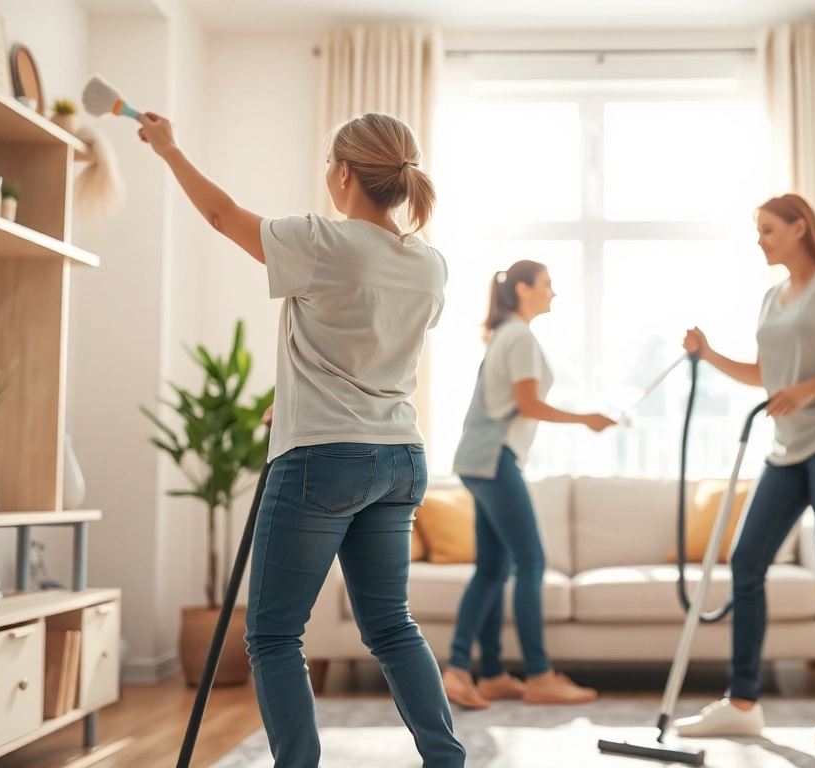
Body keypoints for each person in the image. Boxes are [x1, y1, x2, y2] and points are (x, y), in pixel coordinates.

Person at [137, 111, 465, 768]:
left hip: (322, 460)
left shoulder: (320, 241)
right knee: (391, 626)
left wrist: (169, 148)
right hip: (399, 458)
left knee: (275, 635)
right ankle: (447, 761)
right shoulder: (431, 264)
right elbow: (366, 348)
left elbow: (222, 215)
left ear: (344, 174)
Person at [675, 193, 815, 744]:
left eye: (769, 229)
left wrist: (808, 389)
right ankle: (744, 701)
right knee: (747, 561)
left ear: (800, 227)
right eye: (758, 230)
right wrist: (709, 356)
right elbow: (766, 375)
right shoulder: (773, 298)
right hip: (788, 448)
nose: (760, 240)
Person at [440, 260, 616, 709]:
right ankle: (536, 675)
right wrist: (586, 419)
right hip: (493, 457)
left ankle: (490, 673)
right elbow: (528, 404)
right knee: (531, 560)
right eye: (547, 285)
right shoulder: (518, 335)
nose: (553, 293)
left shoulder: (506, 333)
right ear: (522, 289)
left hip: (480, 457)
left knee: (493, 569)